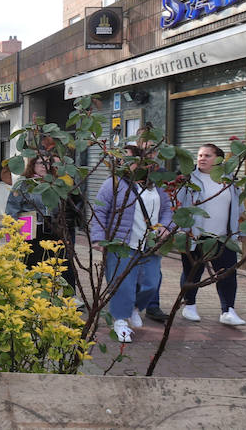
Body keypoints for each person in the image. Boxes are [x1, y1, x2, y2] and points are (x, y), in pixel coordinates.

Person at [89, 144, 174, 342]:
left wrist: (166, 227)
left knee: (151, 284)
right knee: (122, 284)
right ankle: (119, 320)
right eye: (119, 158)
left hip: (150, 243)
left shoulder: (155, 184)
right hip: (122, 242)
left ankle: (135, 307)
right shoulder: (113, 183)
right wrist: (98, 237)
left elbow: (168, 208)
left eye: (127, 157)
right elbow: (100, 211)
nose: (122, 161)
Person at [177, 143, 246, 325]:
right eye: (200, 155)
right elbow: (177, 205)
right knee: (192, 272)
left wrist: (242, 230)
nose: (201, 159)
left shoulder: (229, 180)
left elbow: (239, 207)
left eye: (207, 155)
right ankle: (189, 305)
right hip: (195, 236)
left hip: (222, 237)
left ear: (219, 159)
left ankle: (228, 310)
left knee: (227, 273)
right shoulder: (188, 179)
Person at [5, 155, 79, 296]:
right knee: (32, 266)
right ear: (32, 165)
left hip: (52, 231)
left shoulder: (56, 184)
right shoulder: (24, 184)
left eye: (47, 163)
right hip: (31, 231)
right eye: (40, 163)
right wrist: (12, 236)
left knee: (55, 266)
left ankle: (57, 298)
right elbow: (11, 211)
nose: (44, 166)